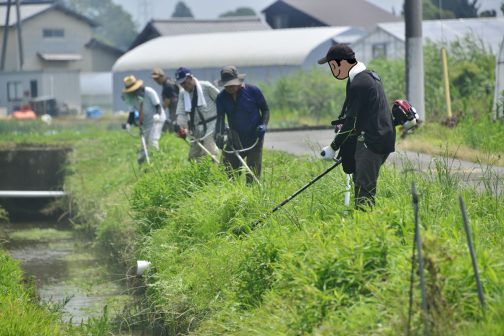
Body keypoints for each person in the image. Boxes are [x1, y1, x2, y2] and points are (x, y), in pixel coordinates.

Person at [318, 44, 396, 209]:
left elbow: (352, 121)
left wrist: (333, 147)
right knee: (361, 183)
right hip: (379, 135)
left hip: (372, 140)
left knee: (364, 188)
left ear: (342, 63)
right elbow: (360, 115)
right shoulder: (367, 76)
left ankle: (365, 230)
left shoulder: (360, 83)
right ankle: (361, 225)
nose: (332, 70)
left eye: (332, 66)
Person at [214, 65, 270, 184]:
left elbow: (265, 110)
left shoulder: (253, 91)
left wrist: (263, 125)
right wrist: (218, 135)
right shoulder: (221, 98)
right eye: (227, 85)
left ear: (238, 81)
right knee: (229, 171)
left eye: (232, 84)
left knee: (252, 171)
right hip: (235, 138)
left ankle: (252, 195)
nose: (230, 88)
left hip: (255, 136)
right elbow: (220, 118)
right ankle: (233, 195)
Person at [174, 67, 219, 161]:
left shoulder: (206, 86)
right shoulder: (183, 94)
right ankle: (201, 175)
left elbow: (221, 100)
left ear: (190, 78)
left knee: (210, 153)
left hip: (212, 125)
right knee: (193, 158)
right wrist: (180, 126)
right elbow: (181, 113)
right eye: (181, 84)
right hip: (196, 129)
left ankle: (215, 174)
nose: (183, 85)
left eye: (184, 82)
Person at [121, 75, 165, 164]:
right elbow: (132, 114)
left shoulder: (149, 92)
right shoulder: (131, 98)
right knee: (144, 144)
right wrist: (128, 124)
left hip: (156, 119)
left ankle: (156, 161)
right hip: (144, 122)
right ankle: (143, 164)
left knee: (153, 140)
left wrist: (157, 115)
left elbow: (158, 106)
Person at [151, 67, 179, 132]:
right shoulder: (170, 81)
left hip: (175, 105)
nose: (156, 81)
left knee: (172, 122)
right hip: (177, 105)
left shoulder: (167, 85)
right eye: (155, 79)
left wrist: (160, 111)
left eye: (157, 79)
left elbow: (167, 100)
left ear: (162, 76)